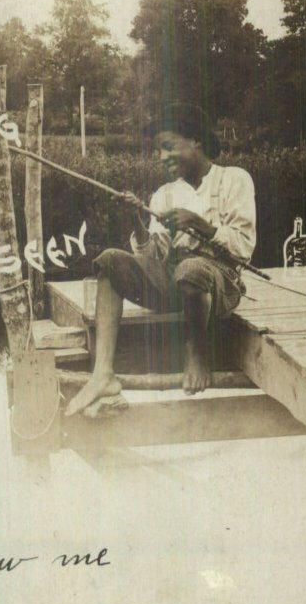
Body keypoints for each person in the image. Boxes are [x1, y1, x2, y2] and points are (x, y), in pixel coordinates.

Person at [65, 103, 256, 416]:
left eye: (168, 147)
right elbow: (152, 259)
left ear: (195, 140)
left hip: (219, 284)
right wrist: (136, 220)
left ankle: (196, 350)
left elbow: (243, 248)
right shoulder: (164, 194)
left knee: (191, 268)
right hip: (176, 283)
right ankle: (103, 374)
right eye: (158, 151)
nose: (162, 157)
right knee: (109, 259)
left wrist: (198, 223)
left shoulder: (235, 180)